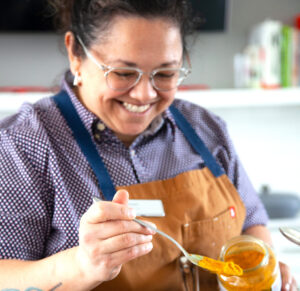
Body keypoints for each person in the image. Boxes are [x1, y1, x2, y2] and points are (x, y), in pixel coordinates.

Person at [0, 0, 297, 290]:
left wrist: (263, 262)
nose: (144, 94)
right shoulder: (25, 145)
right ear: (75, 53)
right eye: (123, 73)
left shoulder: (207, 130)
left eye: (165, 74)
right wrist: (82, 265)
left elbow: (252, 221)